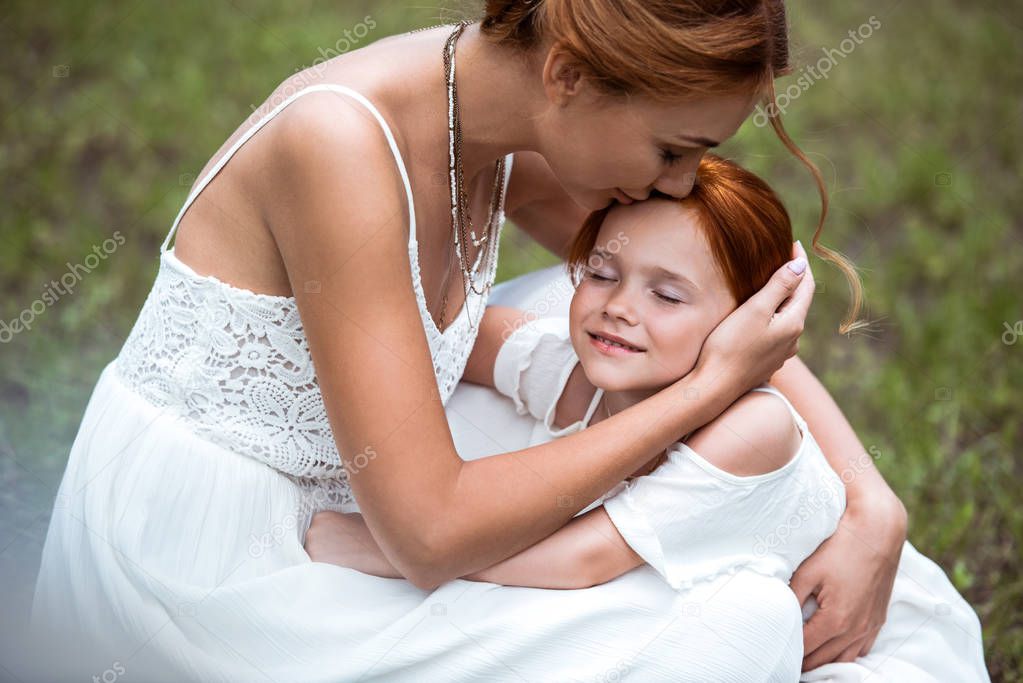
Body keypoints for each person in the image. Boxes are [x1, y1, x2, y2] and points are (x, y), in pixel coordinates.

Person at [28, 3, 913, 681]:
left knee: (619, 326)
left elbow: (712, 319)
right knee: (732, 622)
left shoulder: (499, 112)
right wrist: (699, 394)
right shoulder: (339, 145)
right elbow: (427, 533)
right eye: (671, 149)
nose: (676, 185)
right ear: (568, 75)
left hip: (371, 481)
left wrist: (870, 504)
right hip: (215, 552)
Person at [306, 154, 989, 681]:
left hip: (819, 642)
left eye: (666, 293)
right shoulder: (581, 375)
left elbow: (585, 559)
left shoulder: (752, 427)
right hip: (672, 586)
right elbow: (456, 337)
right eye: (601, 273)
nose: (620, 306)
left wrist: (388, 548)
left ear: (748, 323)